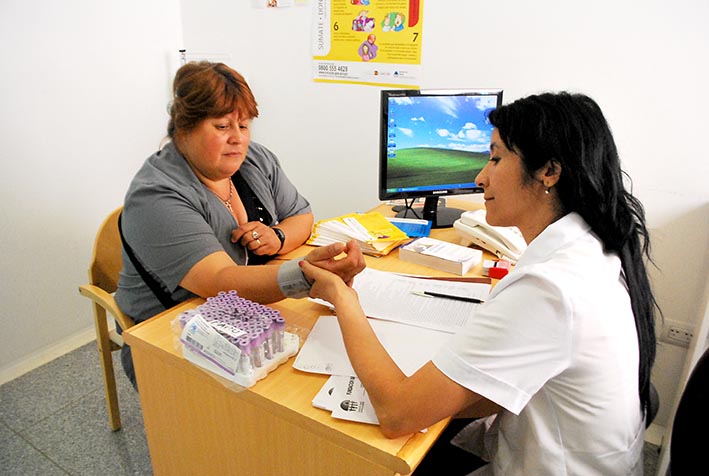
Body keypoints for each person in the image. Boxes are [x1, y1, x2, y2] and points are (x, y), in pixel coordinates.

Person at [299, 91, 658, 475]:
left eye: (496, 158)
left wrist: (344, 297)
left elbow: (396, 414)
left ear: (548, 173)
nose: (480, 176)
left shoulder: (550, 288)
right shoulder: (591, 246)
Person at [115, 61, 364, 388]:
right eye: (222, 127)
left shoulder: (256, 160)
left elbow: (302, 216)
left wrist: (277, 236)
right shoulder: (156, 197)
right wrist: (305, 275)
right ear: (184, 128)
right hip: (172, 335)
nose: (238, 140)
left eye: (244, 126)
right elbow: (219, 281)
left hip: (246, 315)